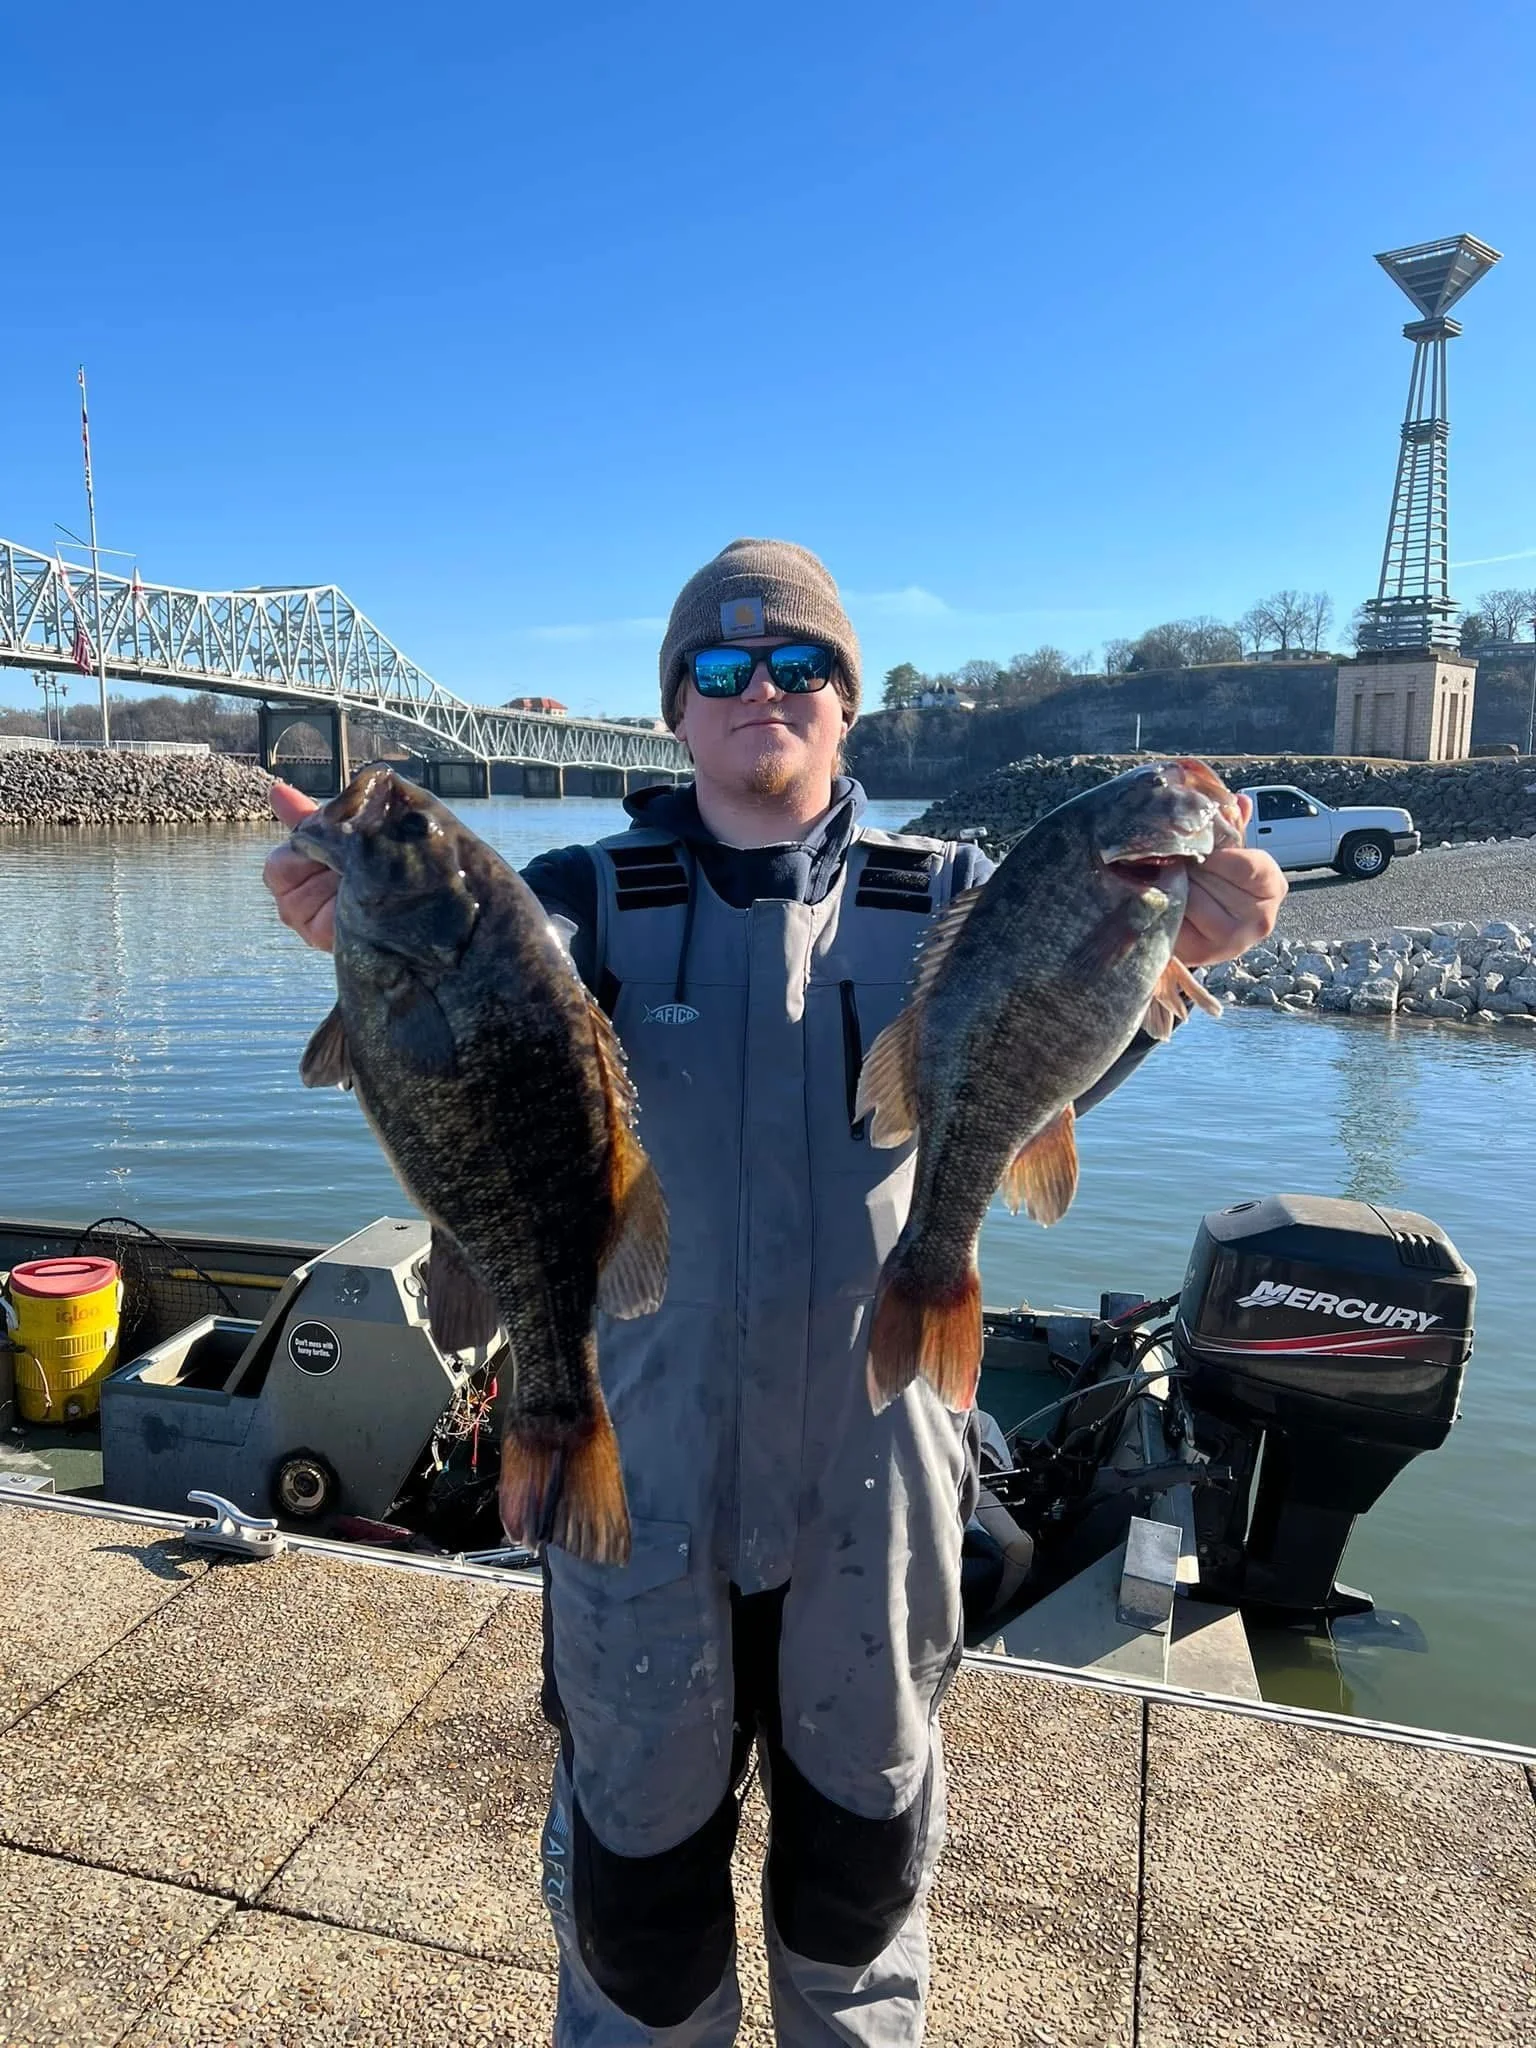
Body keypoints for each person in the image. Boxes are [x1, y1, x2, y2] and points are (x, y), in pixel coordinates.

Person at [264, 538, 1285, 2046]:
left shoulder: (965, 893)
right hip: (640, 1486)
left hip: (877, 1493)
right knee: (639, 1922)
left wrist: (1170, 957)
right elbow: (491, 991)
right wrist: (357, 922)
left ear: (848, 704)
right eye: (723, 670)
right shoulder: (573, 899)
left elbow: (1029, 1065)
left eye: (801, 666)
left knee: (854, 1902)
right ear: (676, 711)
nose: (765, 692)